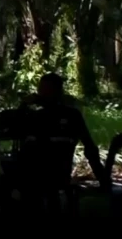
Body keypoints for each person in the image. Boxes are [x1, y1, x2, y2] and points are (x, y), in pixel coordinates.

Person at [17, 73, 110, 215]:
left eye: (46, 89)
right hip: (31, 168)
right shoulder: (37, 115)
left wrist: (102, 178)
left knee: (38, 183)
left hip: (54, 170)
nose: (41, 93)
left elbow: (89, 145)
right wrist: (23, 105)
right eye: (40, 89)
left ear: (57, 91)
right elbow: (13, 125)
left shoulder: (71, 115)